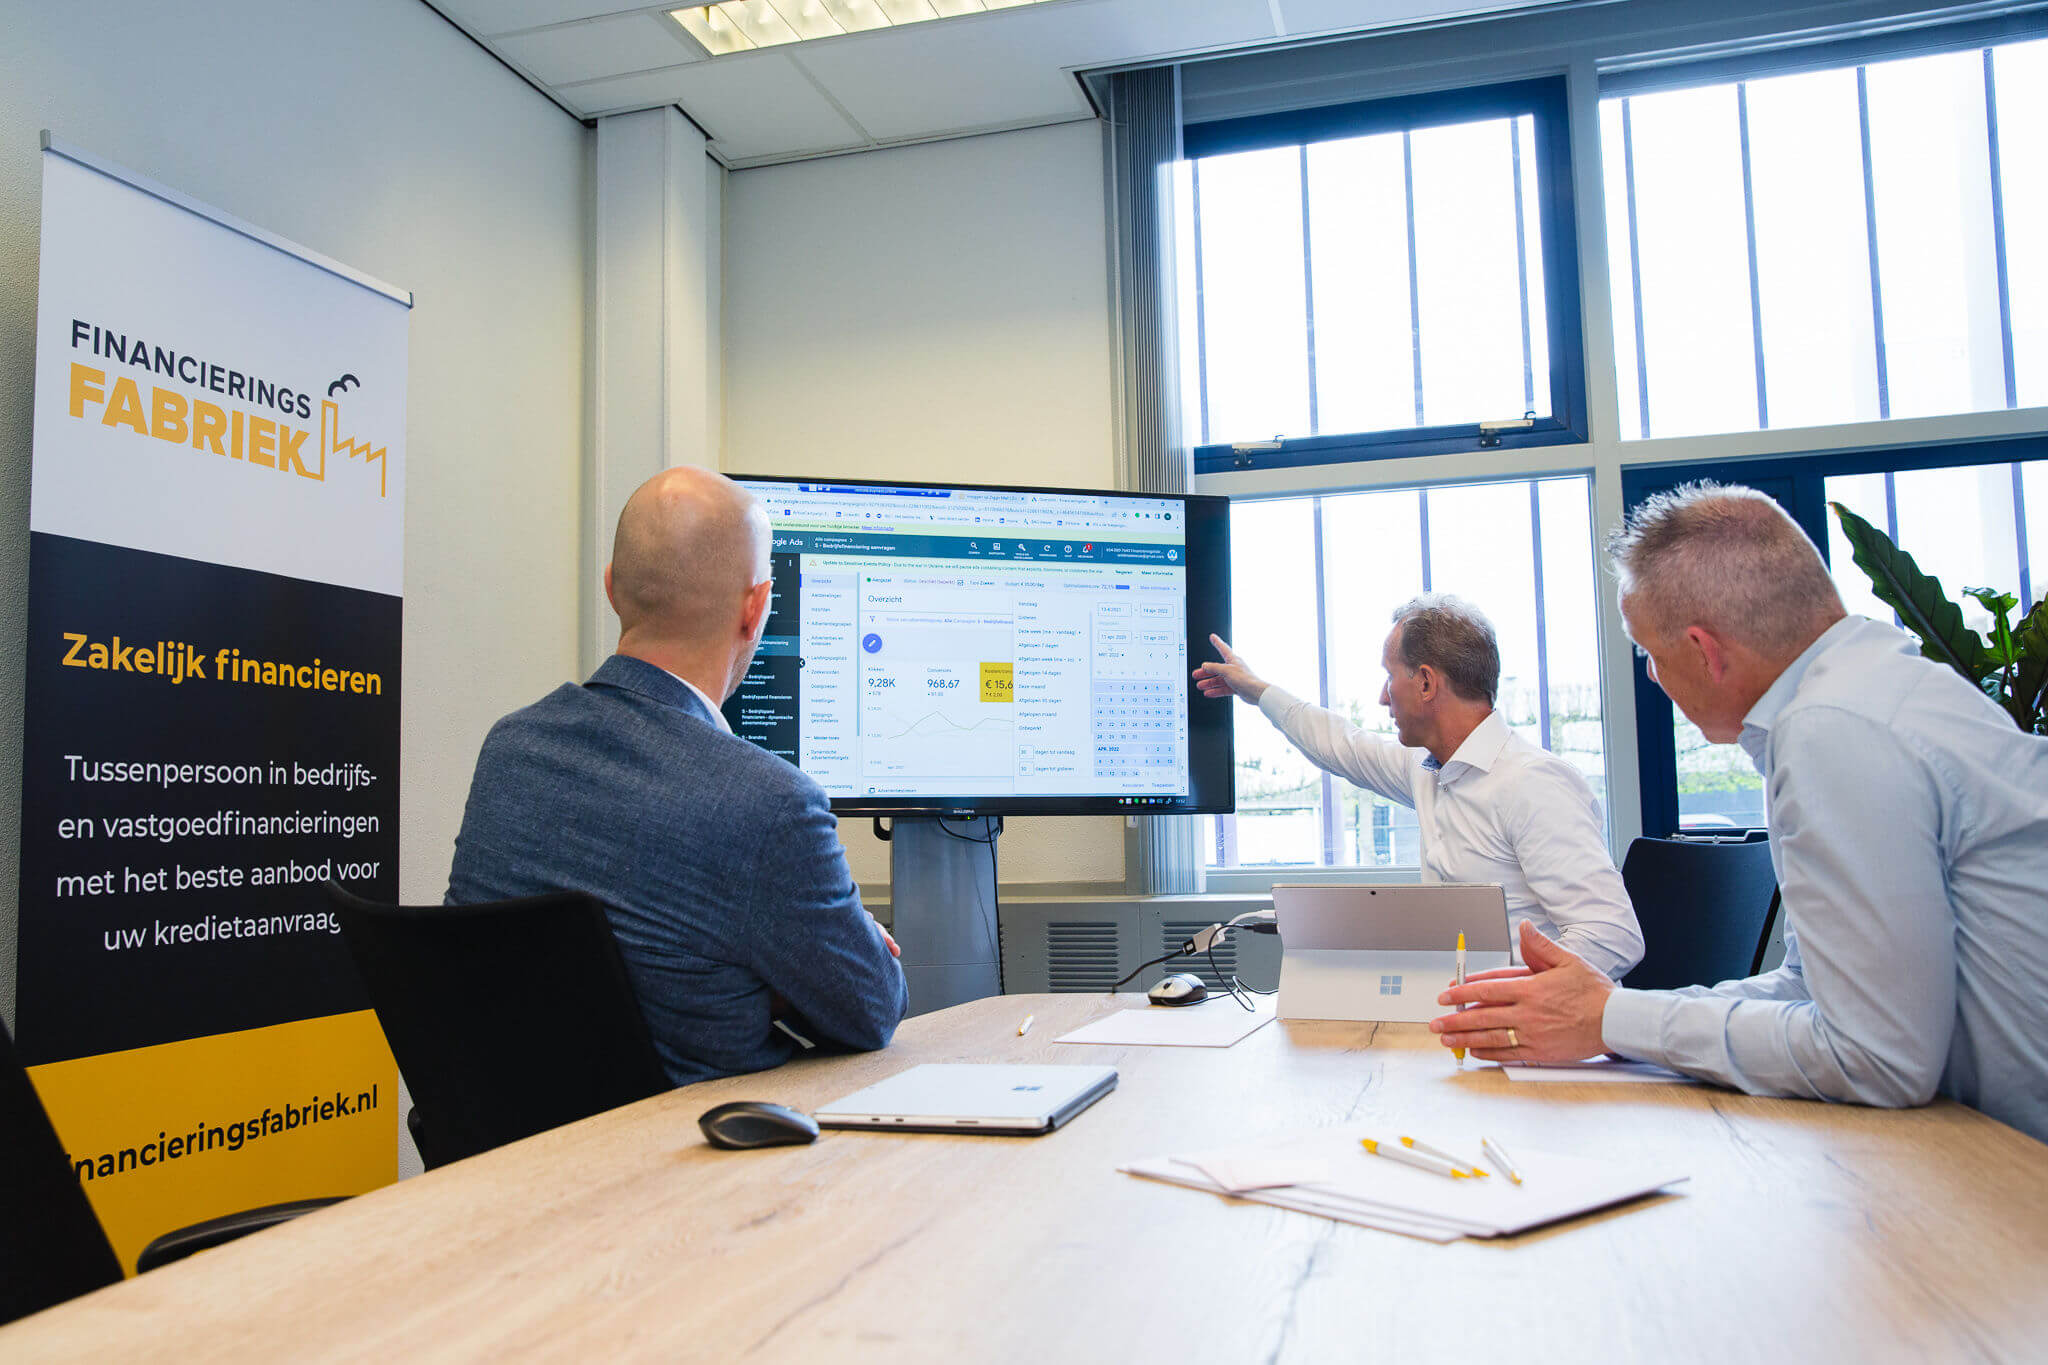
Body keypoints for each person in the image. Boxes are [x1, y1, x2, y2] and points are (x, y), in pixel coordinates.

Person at [1433, 482, 2048, 1143]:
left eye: (1649, 652)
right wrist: (1609, 1015)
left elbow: (1876, 1057)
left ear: (1705, 650)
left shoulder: (1834, 729)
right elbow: (1809, 989)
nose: (1651, 676)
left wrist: (1609, 1020)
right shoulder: (1873, 688)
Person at [446, 467, 907, 1088]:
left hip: (514, 1143)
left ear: (612, 589)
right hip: (691, 1144)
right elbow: (871, 1010)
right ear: (755, 608)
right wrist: (784, 977)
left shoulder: (510, 750)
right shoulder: (770, 804)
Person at [1195, 595, 1644, 978]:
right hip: (1464, 1020)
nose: (1383, 697)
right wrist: (1256, 691)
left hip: (1535, 1037)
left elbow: (1612, 936)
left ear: (1426, 682)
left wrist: (1508, 995)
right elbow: (1340, 745)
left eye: (1390, 676)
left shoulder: (1533, 784)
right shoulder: (1429, 770)